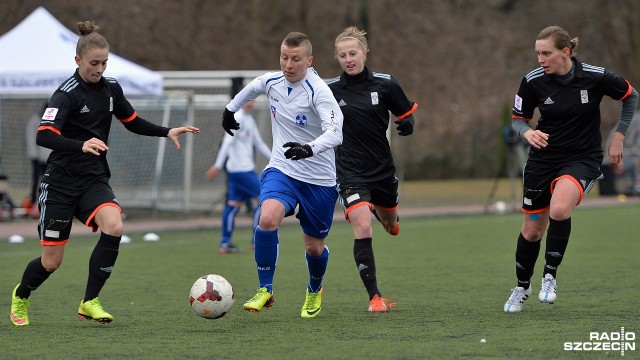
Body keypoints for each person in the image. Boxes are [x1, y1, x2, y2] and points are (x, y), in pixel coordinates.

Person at [9, 21, 199, 326]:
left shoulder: (111, 88)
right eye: (93, 63)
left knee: (114, 224)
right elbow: (43, 135)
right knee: (51, 262)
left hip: (93, 179)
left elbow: (132, 121)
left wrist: (167, 131)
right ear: (78, 61)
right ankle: (21, 295)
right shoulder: (65, 94)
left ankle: (89, 301)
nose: (99, 69)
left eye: (104, 63)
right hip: (59, 184)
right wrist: (80, 144)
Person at [503, 26, 638, 313]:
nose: (540, 58)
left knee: (560, 209)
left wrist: (619, 135)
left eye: (546, 53)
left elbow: (631, 96)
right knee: (532, 231)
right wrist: (527, 133)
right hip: (542, 160)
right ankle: (522, 286)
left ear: (565, 52)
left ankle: (549, 277)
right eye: (538, 53)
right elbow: (518, 118)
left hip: (583, 158)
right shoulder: (532, 81)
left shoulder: (595, 76)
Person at [222, 32, 343, 318]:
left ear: (309, 61)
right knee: (267, 217)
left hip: (319, 180)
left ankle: (315, 288)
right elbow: (252, 87)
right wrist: (230, 110)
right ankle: (266, 289)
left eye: (295, 59)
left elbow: (336, 132)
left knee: (314, 248)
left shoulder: (318, 92)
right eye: (284, 57)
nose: (288, 64)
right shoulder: (272, 81)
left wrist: (309, 148)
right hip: (283, 168)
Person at [327, 26, 417, 312]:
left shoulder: (385, 84)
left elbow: (405, 114)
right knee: (362, 226)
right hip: (349, 173)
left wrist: (407, 124)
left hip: (381, 170)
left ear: (365, 53)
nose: (348, 59)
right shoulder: (330, 90)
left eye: (353, 53)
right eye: (342, 55)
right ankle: (375, 297)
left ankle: (385, 216)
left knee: (391, 224)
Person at [206, 99, 271, 253]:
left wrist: (275, 159)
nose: (250, 103)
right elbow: (227, 143)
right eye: (247, 100)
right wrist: (217, 165)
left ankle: (225, 243)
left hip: (236, 171)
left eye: (252, 100)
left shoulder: (249, 119)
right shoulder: (237, 118)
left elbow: (259, 143)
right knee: (265, 201)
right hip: (243, 170)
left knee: (233, 205)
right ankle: (257, 241)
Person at [23, 102, 52, 217]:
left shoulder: (56, 120)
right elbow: (31, 138)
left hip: (51, 158)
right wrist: (33, 156)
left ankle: (48, 203)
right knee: (37, 182)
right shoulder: (35, 120)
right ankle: (34, 203)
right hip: (38, 158)